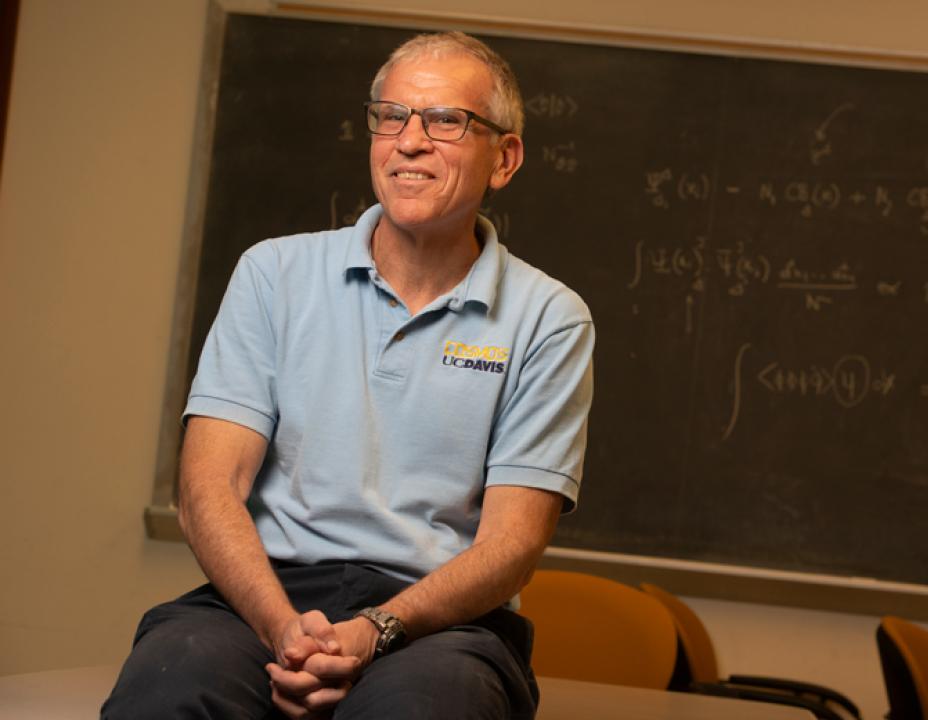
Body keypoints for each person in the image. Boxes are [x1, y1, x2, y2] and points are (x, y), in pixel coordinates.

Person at [102, 30, 594, 720]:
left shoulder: (549, 318)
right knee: (170, 683)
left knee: (425, 709)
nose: (409, 140)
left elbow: (512, 546)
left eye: (445, 120)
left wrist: (375, 630)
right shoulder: (274, 274)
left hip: (438, 625)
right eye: (391, 116)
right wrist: (281, 627)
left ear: (504, 159)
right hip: (263, 597)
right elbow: (207, 487)